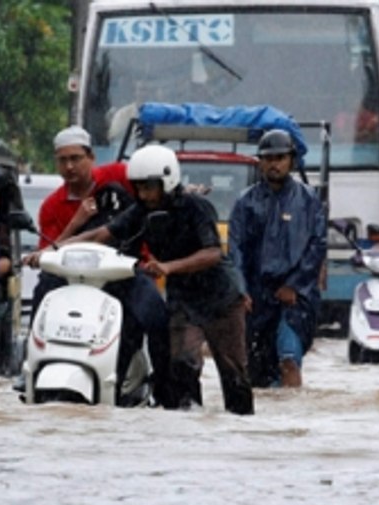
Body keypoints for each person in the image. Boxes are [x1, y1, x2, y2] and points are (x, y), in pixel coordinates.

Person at [53, 145, 254, 414]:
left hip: (221, 299)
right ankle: (190, 423)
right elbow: (102, 234)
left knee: (234, 374)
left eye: (150, 187)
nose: (145, 195)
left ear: (168, 181)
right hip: (184, 299)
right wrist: (55, 248)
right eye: (139, 188)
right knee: (182, 364)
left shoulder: (197, 207)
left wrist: (169, 267)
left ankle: (240, 430)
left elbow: (213, 253)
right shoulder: (141, 210)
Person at [23, 126, 172, 405]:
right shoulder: (51, 206)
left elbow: (153, 188)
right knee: (43, 291)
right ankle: (30, 366)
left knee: (156, 315)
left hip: (125, 272)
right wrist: (77, 220)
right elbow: (51, 252)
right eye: (63, 160)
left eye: (76, 158)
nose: (70, 166)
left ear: (91, 157)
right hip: (73, 280)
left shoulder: (118, 175)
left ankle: (164, 387)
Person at [229, 129, 326, 389]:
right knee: (256, 370)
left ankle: (292, 418)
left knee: (288, 360)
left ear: (291, 160)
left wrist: (294, 285)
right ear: (260, 162)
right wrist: (240, 291)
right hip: (256, 298)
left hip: (296, 298)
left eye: (280, 158)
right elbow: (235, 250)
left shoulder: (308, 200)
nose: (274, 164)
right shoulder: (245, 202)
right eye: (268, 158)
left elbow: (317, 246)